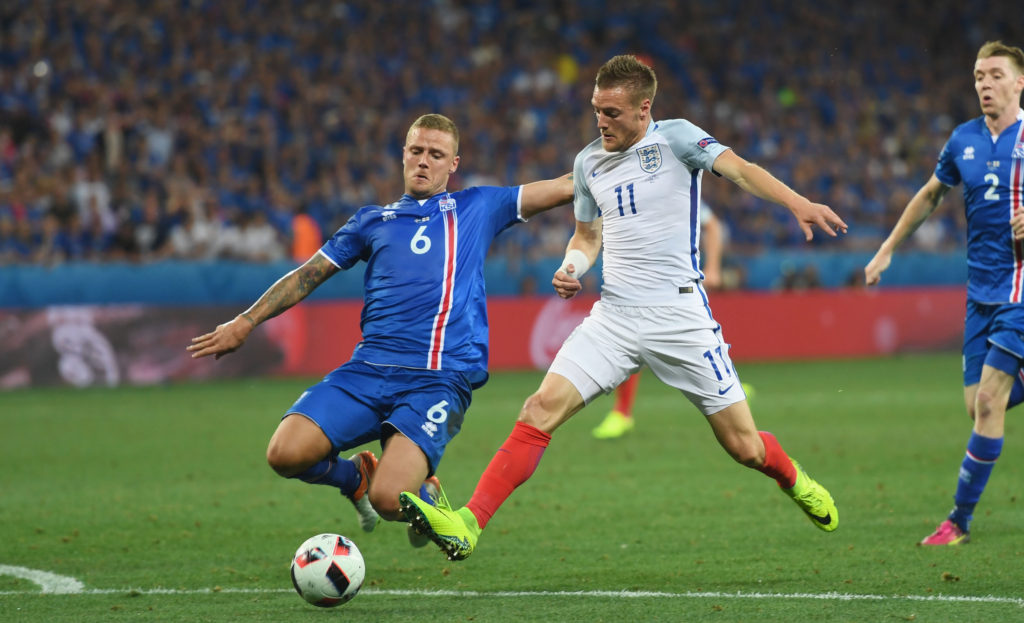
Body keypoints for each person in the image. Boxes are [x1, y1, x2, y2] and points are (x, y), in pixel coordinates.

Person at [400, 55, 847, 561]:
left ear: (643, 109)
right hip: (614, 317)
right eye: (596, 110)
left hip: (680, 318)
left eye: (612, 112)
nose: (601, 121)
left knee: (745, 447)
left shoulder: (678, 139)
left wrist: (797, 203)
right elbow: (588, 235)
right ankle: (468, 524)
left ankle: (793, 478)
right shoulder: (588, 160)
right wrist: (573, 265)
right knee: (539, 410)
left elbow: (741, 171)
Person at [188, 114, 573, 546]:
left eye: (436, 154)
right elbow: (307, 275)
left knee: (391, 500)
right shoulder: (372, 221)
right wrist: (246, 321)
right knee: (284, 454)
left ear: (454, 164)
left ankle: (425, 493)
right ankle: (354, 477)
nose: (424, 162)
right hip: (367, 370)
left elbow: (563, 185)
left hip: (436, 379)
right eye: (416, 151)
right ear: (403, 155)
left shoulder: (478, 207)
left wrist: (626, 160)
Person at [864, 40, 1024, 546]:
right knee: (976, 405)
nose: (984, 84)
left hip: (1021, 289)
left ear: (1019, 82)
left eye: (995, 75)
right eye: (979, 75)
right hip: (979, 294)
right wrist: (888, 246)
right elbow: (931, 194)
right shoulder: (963, 140)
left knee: (990, 401)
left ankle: (958, 520)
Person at [591, 202, 735, 440]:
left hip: (678, 285)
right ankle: (622, 413)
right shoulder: (627, 189)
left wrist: (713, 267)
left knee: (699, 344)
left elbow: (712, 225)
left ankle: (728, 387)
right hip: (640, 285)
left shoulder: (675, 186)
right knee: (627, 338)